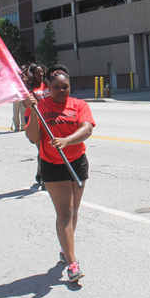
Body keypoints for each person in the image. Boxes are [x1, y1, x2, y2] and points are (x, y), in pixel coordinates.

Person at [24, 64, 95, 283]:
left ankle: (65, 250)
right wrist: (34, 112)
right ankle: (73, 263)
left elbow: (87, 128)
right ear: (49, 87)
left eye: (65, 87)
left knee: (73, 213)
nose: (61, 91)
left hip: (77, 162)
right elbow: (34, 138)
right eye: (56, 87)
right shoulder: (40, 106)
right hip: (53, 164)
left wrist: (67, 140)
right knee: (64, 213)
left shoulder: (79, 105)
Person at [25, 64, 50, 187]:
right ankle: (46, 179)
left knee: (45, 148)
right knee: (42, 149)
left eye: (41, 72)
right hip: (33, 117)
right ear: (32, 74)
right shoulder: (28, 88)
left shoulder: (47, 84)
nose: (40, 74)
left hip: (47, 117)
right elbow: (25, 104)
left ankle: (39, 173)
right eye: (37, 73)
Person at [12, 65, 28, 132]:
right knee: (22, 111)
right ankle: (23, 127)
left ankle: (17, 127)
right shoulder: (25, 78)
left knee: (16, 112)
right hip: (21, 95)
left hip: (17, 95)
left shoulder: (15, 78)